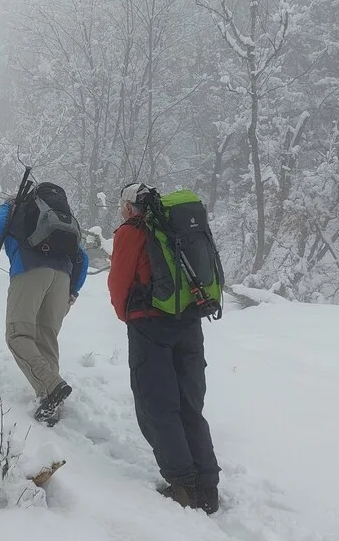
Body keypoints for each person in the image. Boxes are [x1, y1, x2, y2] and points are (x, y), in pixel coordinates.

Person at [109, 183, 221, 513]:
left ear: (130, 207)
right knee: (189, 404)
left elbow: (118, 283)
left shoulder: (133, 230)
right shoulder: (178, 229)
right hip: (189, 322)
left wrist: (126, 315)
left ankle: (182, 486)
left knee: (157, 405)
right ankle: (208, 486)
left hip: (150, 325)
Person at [0, 181, 88, 427]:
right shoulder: (62, 218)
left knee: (18, 335)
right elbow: (81, 255)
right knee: (46, 339)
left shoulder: (16, 204)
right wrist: (73, 290)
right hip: (62, 277)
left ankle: (52, 387)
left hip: (29, 270)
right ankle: (50, 404)